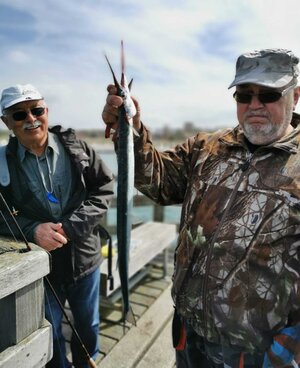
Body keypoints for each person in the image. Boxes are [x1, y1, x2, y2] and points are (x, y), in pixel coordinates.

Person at [102, 48, 300, 367]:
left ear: (296, 95)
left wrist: (288, 349)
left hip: (256, 352)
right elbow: (159, 180)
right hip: (188, 331)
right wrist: (132, 129)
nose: (254, 105)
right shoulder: (206, 147)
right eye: (244, 95)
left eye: (268, 94)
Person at [0, 84, 114, 368]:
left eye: (37, 110)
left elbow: (105, 189)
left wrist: (72, 227)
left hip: (84, 260)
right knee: (49, 331)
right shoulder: (2, 162)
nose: (31, 118)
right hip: (41, 268)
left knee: (88, 326)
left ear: (46, 112)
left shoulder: (78, 147)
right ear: (6, 122)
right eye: (19, 114)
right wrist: (32, 230)